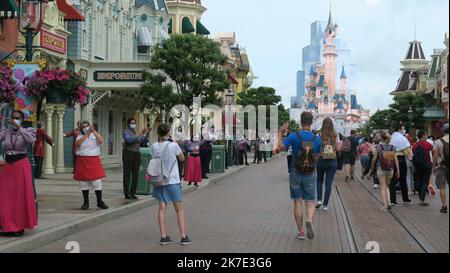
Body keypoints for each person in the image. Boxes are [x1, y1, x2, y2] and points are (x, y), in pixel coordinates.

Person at [277, 112, 322, 240]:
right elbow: (317, 157)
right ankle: (309, 219)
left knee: (297, 202)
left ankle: (301, 232)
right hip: (310, 173)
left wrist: (281, 132)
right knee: (310, 202)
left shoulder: (294, 136)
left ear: (301, 122)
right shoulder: (317, 139)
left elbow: (280, 147)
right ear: (311, 122)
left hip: (295, 172)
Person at [150, 124, 191, 245]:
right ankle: (183, 236)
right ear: (168, 132)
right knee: (179, 209)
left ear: (158, 133)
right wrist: (173, 142)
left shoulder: (154, 146)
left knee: (162, 208)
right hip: (172, 180)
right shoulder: (173, 145)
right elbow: (182, 158)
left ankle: (163, 236)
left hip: (159, 180)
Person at [0, 111, 37, 237]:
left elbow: (31, 140)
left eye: (18, 118)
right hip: (8, 166)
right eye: (13, 118)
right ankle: (6, 226)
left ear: (22, 120)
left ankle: (19, 226)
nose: (15, 120)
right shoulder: (6, 131)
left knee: (20, 197)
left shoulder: (29, 130)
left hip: (21, 164)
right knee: (5, 197)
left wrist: (19, 128)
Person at [74, 121, 108, 210]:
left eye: (87, 126)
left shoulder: (95, 135)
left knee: (97, 182)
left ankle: (99, 201)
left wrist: (94, 132)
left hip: (94, 160)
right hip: (82, 160)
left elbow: (101, 140)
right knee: (83, 183)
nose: (86, 128)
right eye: (84, 127)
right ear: (81, 129)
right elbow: (78, 144)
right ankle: (86, 203)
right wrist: (86, 134)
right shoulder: (79, 136)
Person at [315, 117, 341, 211]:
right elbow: (338, 149)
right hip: (332, 160)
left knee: (319, 180)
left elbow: (316, 147)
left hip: (321, 159)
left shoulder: (319, 134)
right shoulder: (335, 134)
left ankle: (319, 200)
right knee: (328, 183)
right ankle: (325, 205)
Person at [371, 131, 400, 211]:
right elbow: (395, 159)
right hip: (390, 169)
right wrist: (398, 170)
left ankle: (385, 206)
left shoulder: (379, 147)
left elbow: (374, 159)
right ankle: (389, 203)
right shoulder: (393, 147)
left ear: (382, 138)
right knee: (387, 186)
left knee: (382, 187)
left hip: (381, 169)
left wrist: (372, 167)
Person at [122, 118, 150, 200]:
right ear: (128, 124)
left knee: (136, 174)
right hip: (128, 153)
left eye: (134, 122)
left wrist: (146, 134)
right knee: (127, 174)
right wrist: (140, 134)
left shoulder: (135, 132)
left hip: (137, 153)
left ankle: (133, 192)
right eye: (132, 123)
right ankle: (127, 193)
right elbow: (128, 140)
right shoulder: (125, 131)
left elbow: (142, 141)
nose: (133, 124)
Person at [389, 125, 412, 206]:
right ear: (399, 130)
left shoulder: (390, 138)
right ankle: (405, 199)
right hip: (401, 160)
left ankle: (392, 200)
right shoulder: (402, 138)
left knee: (392, 181)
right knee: (403, 180)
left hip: (392, 159)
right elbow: (407, 152)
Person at [412, 131, 436, 207]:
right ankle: (422, 200)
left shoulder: (414, 145)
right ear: (423, 136)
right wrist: (434, 164)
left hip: (417, 166)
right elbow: (434, 152)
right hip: (427, 165)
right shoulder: (428, 144)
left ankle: (420, 198)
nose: (426, 136)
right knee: (425, 182)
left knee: (420, 181)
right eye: (426, 135)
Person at [433, 123, 449, 213]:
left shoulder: (438, 142)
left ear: (443, 130)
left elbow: (435, 156)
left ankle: (444, 206)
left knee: (442, 187)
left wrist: (433, 167)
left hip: (441, 167)